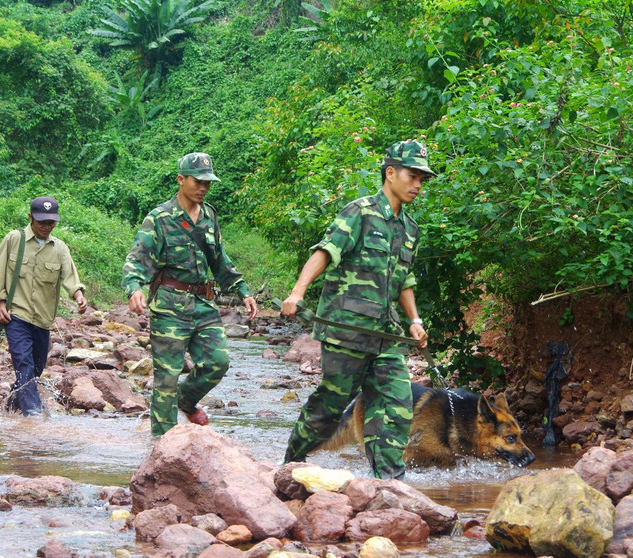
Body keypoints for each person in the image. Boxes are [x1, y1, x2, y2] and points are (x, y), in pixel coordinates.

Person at [280, 139, 433, 480]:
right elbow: (325, 252)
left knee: (396, 406)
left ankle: (388, 483)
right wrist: (296, 292)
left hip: (385, 336)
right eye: (413, 175)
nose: (419, 184)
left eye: (423, 178)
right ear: (390, 173)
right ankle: (290, 465)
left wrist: (414, 321)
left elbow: (404, 280)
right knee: (330, 409)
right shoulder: (359, 212)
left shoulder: (410, 229)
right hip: (346, 331)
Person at [122, 152, 258, 436]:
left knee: (217, 362)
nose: (204, 187)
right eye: (198, 181)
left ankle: (186, 400)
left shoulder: (209, 215)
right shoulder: (159, 218)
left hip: (203, 304)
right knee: (167, 379)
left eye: (208, 182)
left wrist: (243, 291)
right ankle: (163, 444)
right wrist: (134, 287)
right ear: (181, 180)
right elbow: (137, 258)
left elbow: (220, 260)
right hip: (170, 306)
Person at [0, 196, 88, 416]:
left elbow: (69, 276)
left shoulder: (59, 248)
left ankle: (10, 409)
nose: (46, 227)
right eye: (41, 222)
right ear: (30, 218)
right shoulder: (14, 240)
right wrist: (0, 301)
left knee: (35, 370)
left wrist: (78, 294)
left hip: (43, 319)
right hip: (16, 315)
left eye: (50, 223)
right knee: (23, 363)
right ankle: (33, 415)